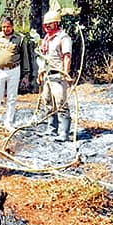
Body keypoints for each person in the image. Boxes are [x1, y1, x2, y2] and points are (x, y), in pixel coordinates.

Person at [0, 17, 29, 133]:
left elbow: (25, 57)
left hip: (14, 70)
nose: (6, 29)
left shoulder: (20, 38)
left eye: (8, 26)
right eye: (3, 27)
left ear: (12, 26)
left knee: (12, 97)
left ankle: (8, 123)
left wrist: (26, 75)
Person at [37, 10, 74, 142]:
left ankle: (64, 132)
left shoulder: (63, 38)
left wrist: (65, 73)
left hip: (58, 75)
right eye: (46, 24)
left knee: (61, 103)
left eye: (50, 24)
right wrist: (40, 72)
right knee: (47, 101)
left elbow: (67, 57)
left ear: (57, 23)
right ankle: (51, 129)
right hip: (47, 75)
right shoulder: (46, 39)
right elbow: (42, 57)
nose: (47, 26)